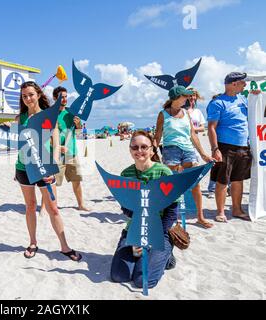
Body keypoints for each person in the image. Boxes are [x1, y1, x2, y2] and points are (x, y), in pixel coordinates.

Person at [14, 81, 82, 261]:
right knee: (30, 206)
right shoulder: (20, 118)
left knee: (53, 209)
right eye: (24, 96)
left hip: (44, 167)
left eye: (30, 94)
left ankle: (64, 246)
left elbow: (56, 141)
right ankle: (33, 242)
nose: (28, 98)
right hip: (23, 167)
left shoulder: (48, 116)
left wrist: (54, 164)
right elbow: (21, 144)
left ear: (38, 94)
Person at [111, 130, 177, 289]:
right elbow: (126, 208)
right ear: (130, 150)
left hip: (160, 231)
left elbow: (172, 210)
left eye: (144, 147)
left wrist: (152, 237)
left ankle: (167, 256)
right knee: (119, 276)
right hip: (134, 230)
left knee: (142, 281)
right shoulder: (126, 174)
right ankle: (142, 256)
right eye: (135, 147)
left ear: (152, 150)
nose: (139, 151)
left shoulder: (163, 172)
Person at [154, 86, 214, 229]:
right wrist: (151, 151)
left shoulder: (186, 113)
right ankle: (171, 218)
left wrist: (203, 154)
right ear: (176, 97)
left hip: (188, 150)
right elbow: (157, 135)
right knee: (171, 186)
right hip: (171, 151)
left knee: (195, 183)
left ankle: (200, 217)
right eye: (185, 96)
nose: (188, 98)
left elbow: (192, 135)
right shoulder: (163, 114)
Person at [207, 72, 258, 222]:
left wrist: (256, 96)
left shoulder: (243, 99)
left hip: (243, 147)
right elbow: (211, 128)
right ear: (234, 83)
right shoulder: (218, 103)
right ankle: (221, 211)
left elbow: (258, 109)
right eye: (243, 82)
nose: (245, 85)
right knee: (223, 180)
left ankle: (237, 209)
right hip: (225, 147)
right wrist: (215, 149)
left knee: (238, 179)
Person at [48, 86, 89, 211]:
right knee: (53, 182)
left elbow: (78, 132)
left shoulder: (72, 112)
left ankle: (81, 205)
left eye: (66, 97)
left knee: (76, 180)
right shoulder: (50, 114)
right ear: (55, 98)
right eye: (61, 97)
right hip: (56, 154)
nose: (64, 99)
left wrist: (78, 124)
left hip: (72, 152)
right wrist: (56, 146)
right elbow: (44, 134)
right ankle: (52, 206)